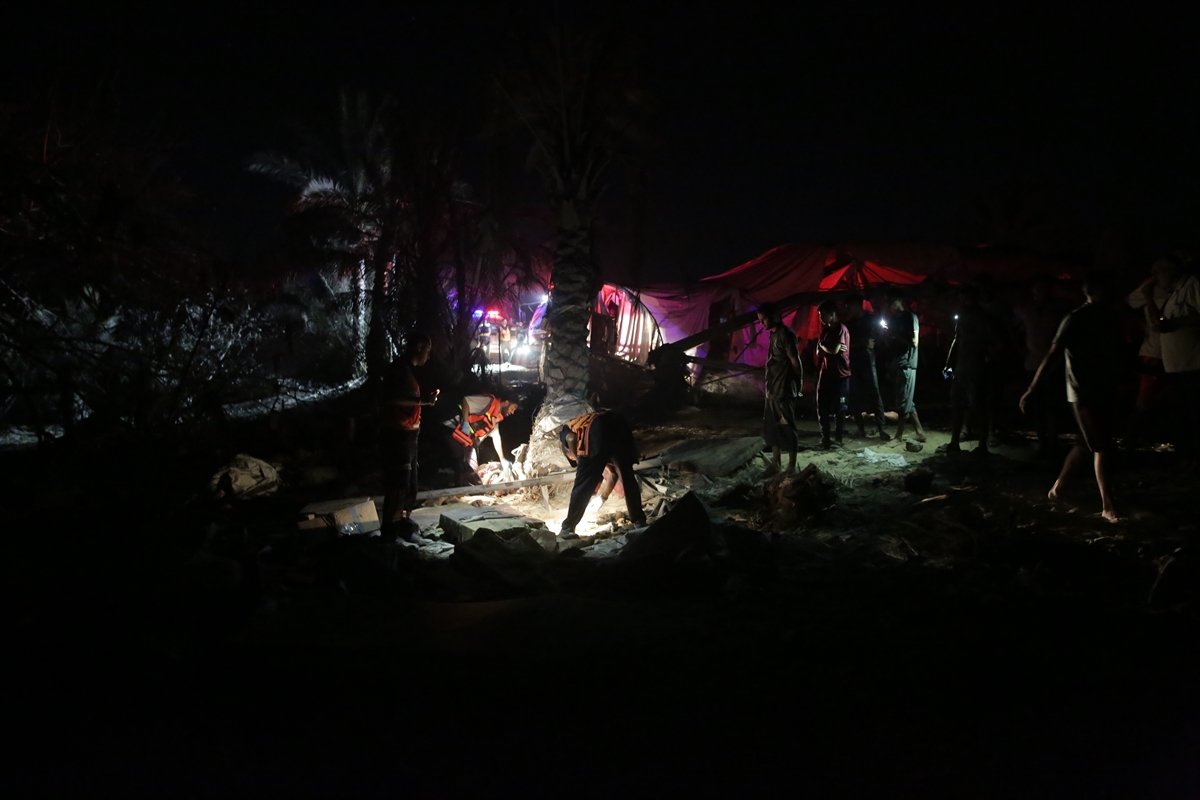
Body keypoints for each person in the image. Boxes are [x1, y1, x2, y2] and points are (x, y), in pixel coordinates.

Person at [1020, 271, 1131, 522]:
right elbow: (1052, 356)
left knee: (1085, 443)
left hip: (1103, 388)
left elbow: (1117, 352)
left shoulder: (1108, 318)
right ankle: (1108, 505)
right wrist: (1032, 388)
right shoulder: (1075, 318)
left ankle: (1057, 491)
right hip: (1082, 391)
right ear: (1094, 291)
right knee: (1102, 445)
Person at [1142, 255, 1200, 468]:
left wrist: (1176, 323)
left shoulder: (1192, 284)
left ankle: (1194, 458)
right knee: (1181, 414)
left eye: (1157, 272)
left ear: (1169, 270)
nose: (1154, 278)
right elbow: (1157, 323)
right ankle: (1187, 457)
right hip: (1176, 365)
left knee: (1194, 414)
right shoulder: (1172, 294)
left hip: (1194, 364)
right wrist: (1148, 299)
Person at [380, 333, 438, 542]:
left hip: (410, 435)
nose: (428, 356)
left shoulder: (406, 371)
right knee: (399, 484)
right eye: (427, 351)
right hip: (399, 435)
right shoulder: (399, 369)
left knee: (410, 485)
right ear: (419, 346)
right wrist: (422, 401)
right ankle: (390, 531)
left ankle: (403, 523)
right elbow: (393, 398)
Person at [558, 411, 647, 539]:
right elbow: (614, 473)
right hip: (619, 424)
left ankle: (567, 528)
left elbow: (571, 438)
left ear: (567, 451)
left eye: (570, 458)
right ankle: (639, 521)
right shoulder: (583, 420)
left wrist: (578, 459)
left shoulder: (566, 430)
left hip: (597, 429)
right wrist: (602, 498)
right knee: (627, 477)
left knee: (583, 484)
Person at [938, 284, 1003, 456]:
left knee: (977, 405)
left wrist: (986, 358)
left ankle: (982, 445)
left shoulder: (984, 317)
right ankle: (954, 442)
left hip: (975, 367)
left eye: (966, 298)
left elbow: (997, 342)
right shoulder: (964, 316)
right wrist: (948, 361)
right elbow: (956, 339)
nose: (963, 301)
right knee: (957, 404)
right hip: (962, 366)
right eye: (962, 298)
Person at [1014, 275, 1071, 458]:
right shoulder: (1027, 309)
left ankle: (1052, 444)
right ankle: (1042, 443)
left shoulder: (1057, 310)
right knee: (1037, 407)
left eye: (1044, 289)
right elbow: (1015, 327)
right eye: (1038, 289)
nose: (1041, 293)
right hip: (1033, 363)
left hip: (1053, 366)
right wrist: (1021, 349)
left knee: (1052, 407)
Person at [1125, 259, 1173, 444]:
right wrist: (1141, 326)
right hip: (1155, 354)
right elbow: (1128, 304)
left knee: (1164, 400)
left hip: (1174, 353)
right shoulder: (1149, 289)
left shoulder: (1181, 290)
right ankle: (1130, 443)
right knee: (1144, 402)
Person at [756, 302, 805, 472]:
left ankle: (791, 465)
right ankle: (776, 462)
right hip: (773, 389)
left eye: (764, 319)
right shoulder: (774, 334)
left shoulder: (786, 334)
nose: (762, 323)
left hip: (783, 389)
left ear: (774, 316)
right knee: (771, 427)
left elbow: (795, 361)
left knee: (787, 427)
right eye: (760, 320)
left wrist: (799, 383)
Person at [841, 294, 890, 441]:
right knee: (855, 396)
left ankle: (882, 429)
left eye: (849, 307)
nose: (848, 310)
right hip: (855, 361)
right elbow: (847, 345)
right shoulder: (850, 324)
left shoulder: (870, 319)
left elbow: (876, 339)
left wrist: (864, 344)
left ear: (856, 305)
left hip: (868, 360)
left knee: (874, 393)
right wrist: (861, 343)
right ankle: (861, 430)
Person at [451, 393, 519, 485]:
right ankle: (462, 488)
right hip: (454, 430)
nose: (512, 412)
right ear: (506, 403)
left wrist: (503, 460)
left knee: (470, 468)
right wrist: (466, 423)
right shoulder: (488, 401)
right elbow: (466, 401)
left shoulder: (495, 417)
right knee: (467, 469)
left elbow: (496, 438)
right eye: (513, 408)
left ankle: (465, 487)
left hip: (467, 440)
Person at [886, 290, 926, 443]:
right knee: (907, 399)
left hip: (907, 363)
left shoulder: (910, 317)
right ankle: (920, 432)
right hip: (898, 362)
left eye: (891, 299)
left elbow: (914, 343)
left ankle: (899, 436)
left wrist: (897, 336)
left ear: (899, 299)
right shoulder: (893, 319)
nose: (888, 303)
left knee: (903, 401)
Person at [815, 300, 850, 449]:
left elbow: (834, 350)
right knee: (821, 406)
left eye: (822, 314)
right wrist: (826, 347)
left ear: (831, 314)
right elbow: (818, 352)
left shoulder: (841, 329)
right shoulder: (825, 330)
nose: (820, 318)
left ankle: (839, 439)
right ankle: (826, 438)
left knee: (839, 409)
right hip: (826, 373)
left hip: (840, 374)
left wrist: (823, 346)